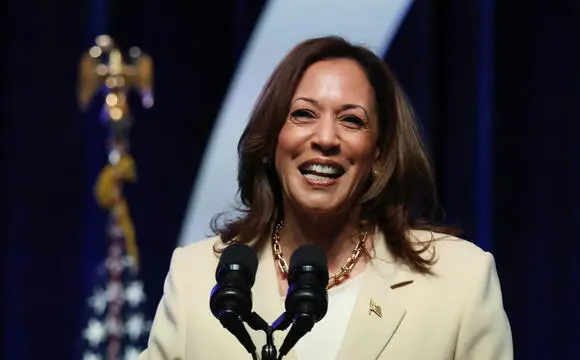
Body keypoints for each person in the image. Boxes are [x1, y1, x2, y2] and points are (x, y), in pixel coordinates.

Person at [139, 36, 513, 360]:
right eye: (304, 114)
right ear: (270, 142)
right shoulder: (195, 278)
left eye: (352, 120)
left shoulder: (460, 282)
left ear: (379, 155)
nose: (326, 139)